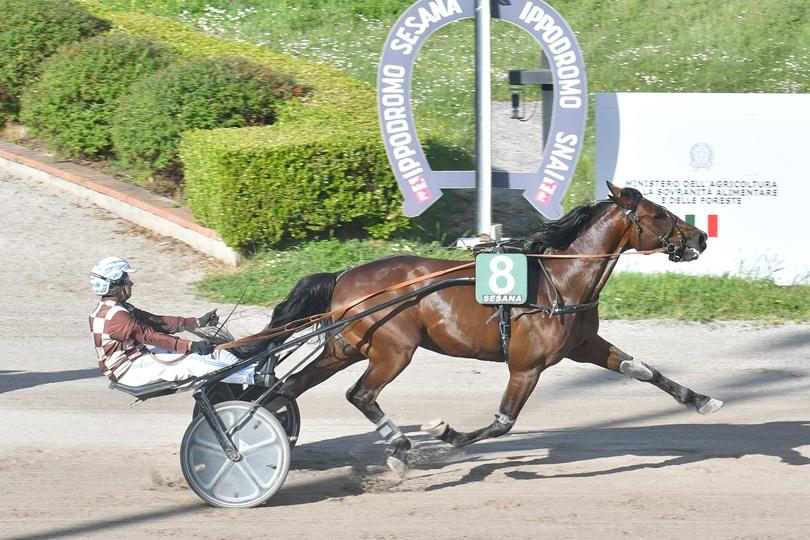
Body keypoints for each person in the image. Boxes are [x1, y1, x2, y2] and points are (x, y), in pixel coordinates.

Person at [88, 256, 263, 387]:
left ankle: (247, 368)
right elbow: (152, 337)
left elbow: (157, 322)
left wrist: (198, 322)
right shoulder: (116, 317)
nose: (131, 283)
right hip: (128, 370)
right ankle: (254, 376)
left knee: (211, 352)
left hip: (139, 360)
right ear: (115, 285)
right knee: (194, 364)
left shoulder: (117, 308)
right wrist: (190, 346)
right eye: (126, 279)